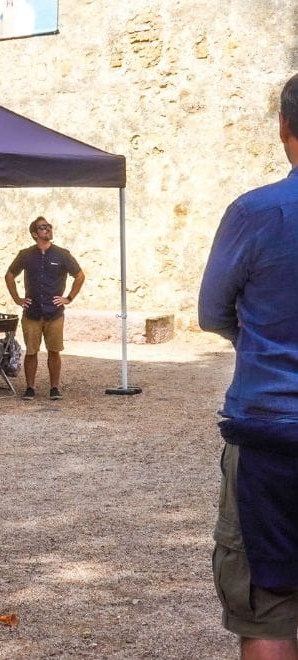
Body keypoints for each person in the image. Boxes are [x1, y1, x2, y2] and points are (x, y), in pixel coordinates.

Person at [199, 73, 298, 660]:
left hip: (270, 432)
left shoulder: (256, 212)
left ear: (285, 128)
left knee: (267, 608)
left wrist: (261, 342)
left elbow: (213, 312)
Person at [4, 216, 85, 401]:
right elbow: (9, 276)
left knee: (54, 350)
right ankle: (30, 388)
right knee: (31, 351)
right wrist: (17, 299)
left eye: (49, 226)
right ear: (34, 233)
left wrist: (69, 298)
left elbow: (79, 276)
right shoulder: (25, 255)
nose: (47, 229)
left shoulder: (62, 254)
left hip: (54, 312)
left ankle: (54, 387)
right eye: (43, 227)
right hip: (32, 312)